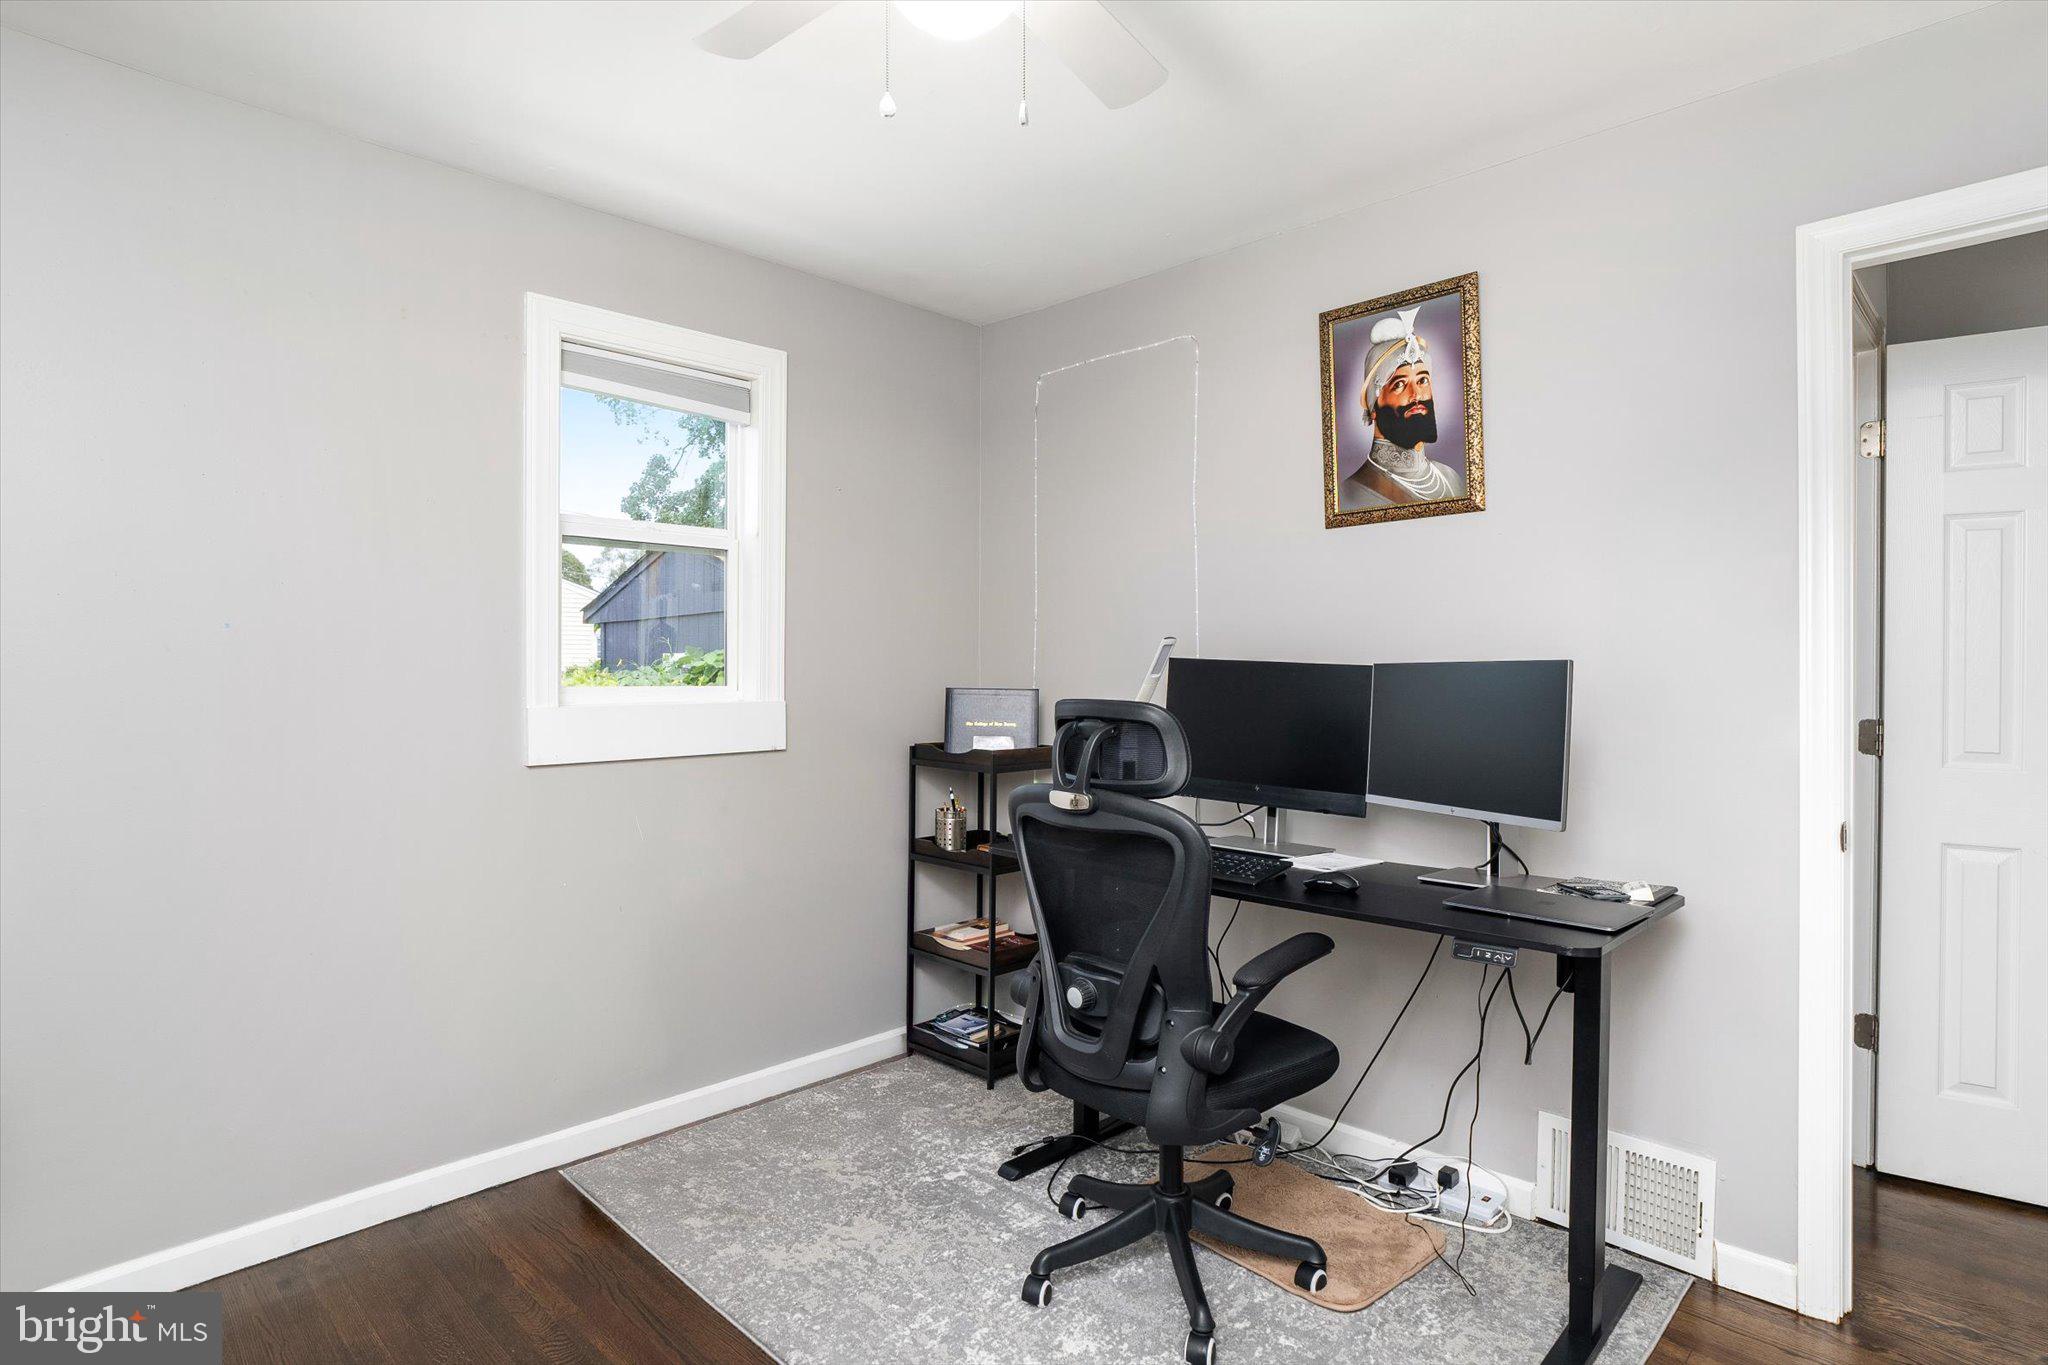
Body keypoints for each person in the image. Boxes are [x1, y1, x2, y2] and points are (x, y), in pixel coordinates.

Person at [1341, 307, 1465, 507]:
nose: (1416, 395)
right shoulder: (1350, 493)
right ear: (1374, 405)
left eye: (1422, 380)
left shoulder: (1451, 479)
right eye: (1399, 384)